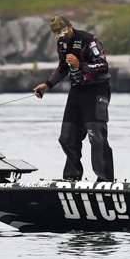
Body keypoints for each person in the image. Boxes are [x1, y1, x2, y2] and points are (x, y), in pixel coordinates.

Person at [33, 16, 114, 182]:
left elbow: (103, 65)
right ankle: (72, 176)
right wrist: (47, 85)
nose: (61, 36)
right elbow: (63, 67)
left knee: (96, 136)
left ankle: (105, 179)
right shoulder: (61, 44)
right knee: (66, 137)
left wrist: (80, 65)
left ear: (70, 26)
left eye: (62, 31)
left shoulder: (89, 40)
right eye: (57, 34)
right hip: (77, 91)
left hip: (97, 90)